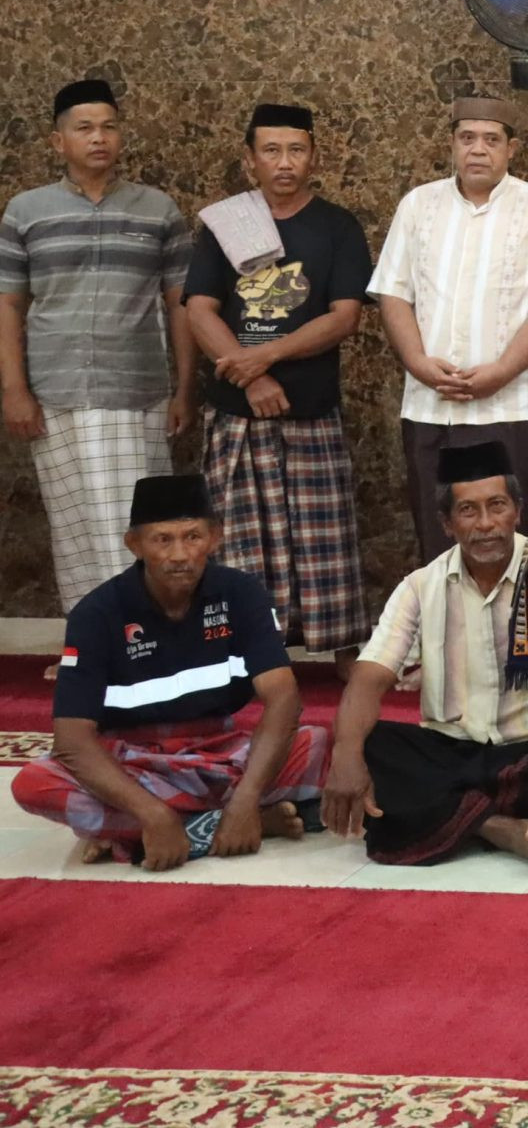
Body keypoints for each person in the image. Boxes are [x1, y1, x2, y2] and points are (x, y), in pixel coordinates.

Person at [321, 443, 528, 870]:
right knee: (370, 745)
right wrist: (346, 756)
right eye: (468, 511)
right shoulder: (420, 586)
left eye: (497, 506)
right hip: (452, 755)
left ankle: (454, 813)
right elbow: (369, 677)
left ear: (517, 510)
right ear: (447, 523)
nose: (485, 524)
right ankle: (495, 826)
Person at [10, 474, 327, 869]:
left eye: (192, 537)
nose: (179, 554)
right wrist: (152, 812)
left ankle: (135, 833)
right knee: (34, 784)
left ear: (215, 538)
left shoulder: (241, 593)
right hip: (132, 762)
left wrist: (246, 798)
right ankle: (210, 825)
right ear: (135, 544)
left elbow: (283, 699)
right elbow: (71, 741)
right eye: (162, 540)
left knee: (321, 745)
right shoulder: (95, 614)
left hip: (223, 753)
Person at [183, 104, 372, 672]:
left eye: (296, 150)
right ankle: (245, 655)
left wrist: (264, 356)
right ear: (250, 160)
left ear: (313, 157)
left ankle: (343, 650)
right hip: (236, 410)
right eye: (271, 151)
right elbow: (199, 309)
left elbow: (344, 317)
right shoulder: (224, 224)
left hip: (309, 406)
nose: (284, 163)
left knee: (325, 541)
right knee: (240, 543)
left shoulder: (336, 226)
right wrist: (253, 378)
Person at [0, 80, 197, 624]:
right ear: (57, 141)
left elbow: (181, 303)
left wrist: (184, 388)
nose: (98, 138)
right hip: (55, 392)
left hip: (136, 393)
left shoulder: (156, 210)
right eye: (84, 128)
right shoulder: (26, 212)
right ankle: (88, 642)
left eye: (109, 126)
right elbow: (8, 303)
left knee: (136, 527)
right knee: (73, 529)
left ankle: (144, 640)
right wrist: (14, 389)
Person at [370, 97, 528, 566]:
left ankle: (515, 619)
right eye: (467, 138)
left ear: (512, 149)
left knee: (513, 546)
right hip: (431, 408)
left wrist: (500, 372)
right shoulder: (418, 206)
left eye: (491, 140)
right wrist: (418, 364)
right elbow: (393, 293)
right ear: (452, 144)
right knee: (440, 545)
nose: (478, 150)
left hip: (514, 409)